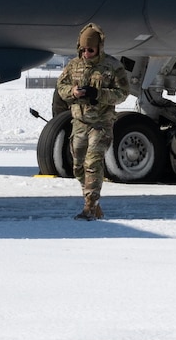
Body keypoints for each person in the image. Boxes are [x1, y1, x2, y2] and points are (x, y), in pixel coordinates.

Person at [56, 24, 131, 221]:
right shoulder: (74, 66)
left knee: (93, 162)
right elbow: (61, 86)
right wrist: (72, 92)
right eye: (83, 50)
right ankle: (94, 203)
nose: (87, 53)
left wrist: (97, 94)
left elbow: (122, 93)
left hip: (101, 123)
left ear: (99, 48)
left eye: (91, 50)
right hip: (80, 122)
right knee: (78, 165)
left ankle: (90, 206)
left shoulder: (113, 67)